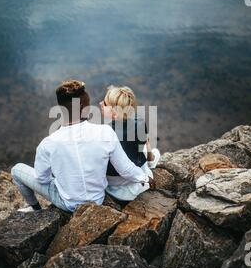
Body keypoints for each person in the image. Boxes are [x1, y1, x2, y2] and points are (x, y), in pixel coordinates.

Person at [11, 80, 154, 212]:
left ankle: (36, 209)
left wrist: (62, 174)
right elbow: (125, 168)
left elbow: (42, 179)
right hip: (97, 199)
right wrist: (145, 178)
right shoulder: (105, 132)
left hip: (69, 204)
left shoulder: (48, 144)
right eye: (88, 102)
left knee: (16, 170)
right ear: (82, 107)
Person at [100, 85, 160, 201]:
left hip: (114, 180)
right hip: (138, 168)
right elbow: (145, 144)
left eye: (105, 104)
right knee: (147, 148)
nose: (101, 103)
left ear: (115, 113)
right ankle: (151, 162)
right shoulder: (140, 122)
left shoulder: (104, 132)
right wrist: (150, 159)